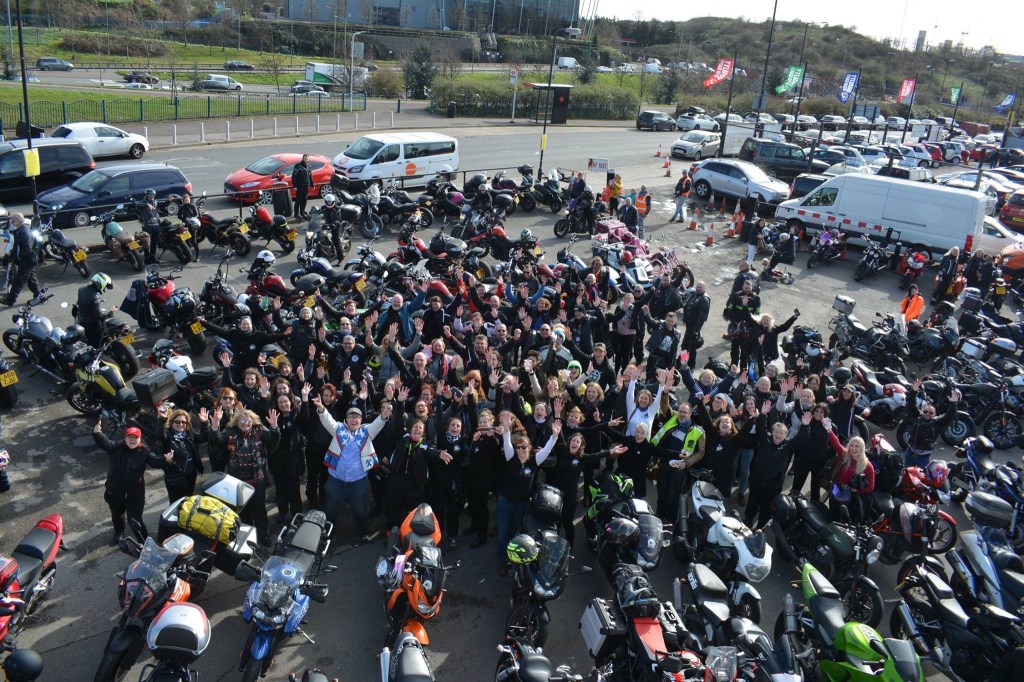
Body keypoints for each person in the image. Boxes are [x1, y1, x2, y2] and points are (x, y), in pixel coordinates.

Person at [315, 399, 394, 543]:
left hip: (358, 480)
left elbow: (378, 423)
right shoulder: (338, 429)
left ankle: (363, 533)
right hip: (335, 479)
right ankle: (329, 534)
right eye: (351, 416)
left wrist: (384, 414)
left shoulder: (366, 431)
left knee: (360, 510)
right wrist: (321, 408)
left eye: (357, 416)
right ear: (346, 419)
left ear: (361, 420)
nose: (354, 419)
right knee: (331, 510)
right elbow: (328, 421)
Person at [496, 412, 560, 576]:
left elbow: (548, 448)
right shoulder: (511, 457)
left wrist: (554, 435)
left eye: (524, 447)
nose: (521, 450)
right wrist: (506, 426)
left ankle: (512, 559)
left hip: (522, 503)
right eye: (518, 447)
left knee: (514, 532)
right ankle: (503, 561)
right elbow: (506, 436)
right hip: (504, 501)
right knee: (502, 533)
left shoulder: (535, 461)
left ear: (529, 448)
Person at [209, 406, 280, 547]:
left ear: (252, 421)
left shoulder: (259, 430)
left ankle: (264, 535)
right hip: (237, 480)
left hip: (257, 478)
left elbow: (273, 438)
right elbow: (216, 440)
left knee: (259, 509)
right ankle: (248, 537)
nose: (245, 423)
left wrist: (274, 427)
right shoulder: (230, 431)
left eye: (248, 421)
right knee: (243, 511)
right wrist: (215, 426)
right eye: (242, 421)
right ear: (237, 422)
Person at [92, 419, 168, 543]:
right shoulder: (117, 447)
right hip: (114, 492)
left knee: (136, 520)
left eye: (135, 438)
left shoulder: (144, 451)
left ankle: (144, 543)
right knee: (117, 516)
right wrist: (97, 433)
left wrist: (166, 460)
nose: (132, 440)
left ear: (139, 439)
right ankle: (119, 531)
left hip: (135, 495)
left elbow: (155, 462)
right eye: (129, 437)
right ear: (125, 438)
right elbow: (105, 444)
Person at [744, 401, 802, 530]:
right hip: (757, 481)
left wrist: (805, 425)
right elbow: (760, 428)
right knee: (752, 503)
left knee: (766, 509)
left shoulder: (787, 447)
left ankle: (760, 526)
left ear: (785, 435)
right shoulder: (765, 440)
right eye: (776, 432)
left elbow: (800, 438)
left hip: (773, 486)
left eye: (781, 433)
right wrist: (763, 414)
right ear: (772, 431)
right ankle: (747, 520)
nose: (778, 435)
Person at [902, 379, 960, 468]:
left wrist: (952, 403)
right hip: (910, 453)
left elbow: (949, 415)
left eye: (930, 413)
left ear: (935, 414)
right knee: (905, 474)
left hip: (924, 457)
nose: (927, 414)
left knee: (922, 478)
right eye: (925, 411)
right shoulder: (917, 416)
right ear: (922, 411)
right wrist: (913, 392)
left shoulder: (937, 422)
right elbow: (912, 404)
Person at [158, 408, 207, 503]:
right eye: (177, 422)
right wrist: (162, 419)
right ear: (172, 422)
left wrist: (205, 423)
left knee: (188, 500)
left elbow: (204, 437)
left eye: (183, 422)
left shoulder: (190, 433)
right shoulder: (167, 436)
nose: (180, 425)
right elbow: (159, 435)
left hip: (191, 473)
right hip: (174, 475)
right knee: (176, 503)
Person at [825, 432, 875, 523]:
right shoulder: (845, 455)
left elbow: (871, 487)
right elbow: (836, 444)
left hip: (851, 500)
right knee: (833, 517)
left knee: (845, 522)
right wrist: (829, 430)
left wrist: (856, 490)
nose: (853, 448)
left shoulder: (868, 466)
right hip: (836, 493)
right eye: (852, 445)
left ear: (862, 449)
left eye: (857, 446)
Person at [5, 213, 42, 307]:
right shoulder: (20, 230)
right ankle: (38, 295)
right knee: (31, 278)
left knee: (19, 279)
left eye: (13, 220)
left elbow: (26, 248)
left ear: (18, 220)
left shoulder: (24, 231)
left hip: (27, 259)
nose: (11, 222)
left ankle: (10, 301)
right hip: (28, 259)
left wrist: (20, 259)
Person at [76, 273, 114, 346]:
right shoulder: (95, 297)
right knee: (96, 344)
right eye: (106, 286)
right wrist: (110, 312)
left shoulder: (81, 289)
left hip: (82, 320)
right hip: (92, 325)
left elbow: (80, 302)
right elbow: (98, 315)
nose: (105, 289)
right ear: (101, 284)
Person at [680, 281, 710, 369]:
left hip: (693, 327)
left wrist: (696, 330)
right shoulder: (696, 294)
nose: (698, 289)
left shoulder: (704, 299)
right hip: (689, 325)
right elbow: (688, 306)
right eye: (697, 287)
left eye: (700, 287)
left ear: (704, 288)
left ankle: (683, 362)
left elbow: (702, 318)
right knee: (691, 346)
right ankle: (690, 363)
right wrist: (685, 319)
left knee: (686, 345)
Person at [137, 188, 162, 265]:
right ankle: (147, 259)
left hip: (156, 225)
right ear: (146, 196)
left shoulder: (155, 202)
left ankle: (152, 257)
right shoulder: (142, 202)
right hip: (147, 226)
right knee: (146, 243)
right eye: (150, 196)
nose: (152, 198)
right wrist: (147, 204)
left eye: (153, 196)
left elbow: (162, 205)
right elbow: (137, 204)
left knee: (154, 242)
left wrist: (169, 201)